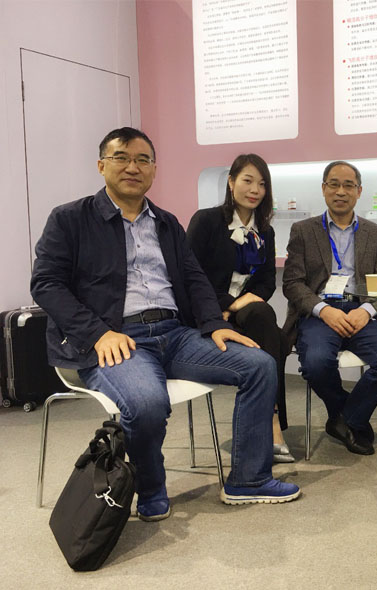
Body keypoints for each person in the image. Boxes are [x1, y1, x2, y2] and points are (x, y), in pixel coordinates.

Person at [31, 127, 300, 522]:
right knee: (146, 402)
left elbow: (194, 279)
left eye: (143, 160)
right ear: (101, 165)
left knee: (259, 365)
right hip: (116, 337)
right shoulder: (70, 219)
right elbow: (46, 284)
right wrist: (97, 333)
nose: (133, 167)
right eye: (122, 158)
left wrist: (214, 324)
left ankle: (248, 479)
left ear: (154, 169)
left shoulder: (166, 223)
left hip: (174, 334)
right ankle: (151, 488)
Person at [282, 161, 377, 455]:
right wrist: (324, 310)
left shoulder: (376, 232)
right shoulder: (303, 230)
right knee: (315, 363)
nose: (341, 191)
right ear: (324, 189)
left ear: (359, 191)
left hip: (362, 310)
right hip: (320, 312)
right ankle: (349, 416)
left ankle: (346, 419)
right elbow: (292, 283)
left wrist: (367, 311)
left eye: (348, 185)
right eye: (334, 184)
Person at [187, 153, 293, 463]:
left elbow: (266, 282)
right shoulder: (206, 221)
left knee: (261, 313)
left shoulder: (265, 231)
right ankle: (273, 424)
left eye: (262, 184)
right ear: (231, 182)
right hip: (206, 311)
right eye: (247, 180)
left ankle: (269, 420)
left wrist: (237, 305)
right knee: (276, 338)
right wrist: (225, 305)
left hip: (244, 312)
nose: (255, 190)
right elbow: (190, 275)